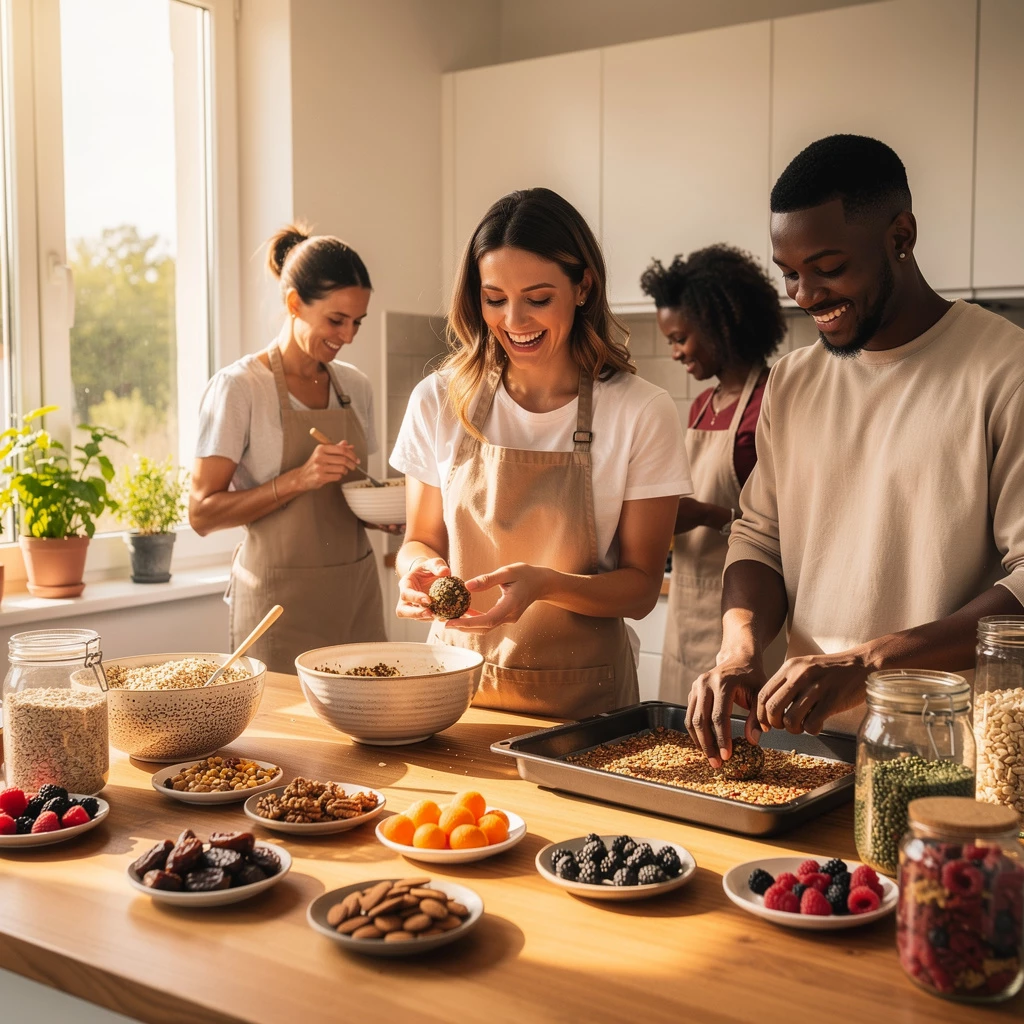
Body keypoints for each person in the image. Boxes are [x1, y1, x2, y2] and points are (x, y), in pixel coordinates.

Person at [685, 134, 1024, 767]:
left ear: (902, 236)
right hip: (808, 752)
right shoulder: (792, 382)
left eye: (828, 267)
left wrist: (866, 662)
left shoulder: (1004, 370)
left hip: (945, 758)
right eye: (789, 273)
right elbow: (759, 538)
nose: (804, 294)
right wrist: (739, 646)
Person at [391, 188, 690, 718]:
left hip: (585, 703)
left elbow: (642, 589)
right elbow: (419, 539)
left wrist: (546, 585)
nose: (514, 320)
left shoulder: (641, 411)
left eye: (537, 297)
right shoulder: (438, 399)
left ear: (583, 287)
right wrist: (421, 570)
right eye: (494, 298)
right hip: (453, 692)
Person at [189, 224, 389, 673]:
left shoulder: (355, 386)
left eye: (357, 322)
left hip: (354, 592)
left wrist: (385, 514)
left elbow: (352, 494)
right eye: (336, 320)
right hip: (277, 606)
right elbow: (201, 514)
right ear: (294, 303)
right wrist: (298, 478)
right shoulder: (240, 388)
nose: (349, 336)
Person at [639, 246, 786, 705]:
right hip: (688, 597)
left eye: (681, 337)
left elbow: (784, 521)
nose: (676, 352)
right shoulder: (703, 405)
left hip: (747, 603)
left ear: (723, 325)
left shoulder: (771, 400)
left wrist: (706, 513)